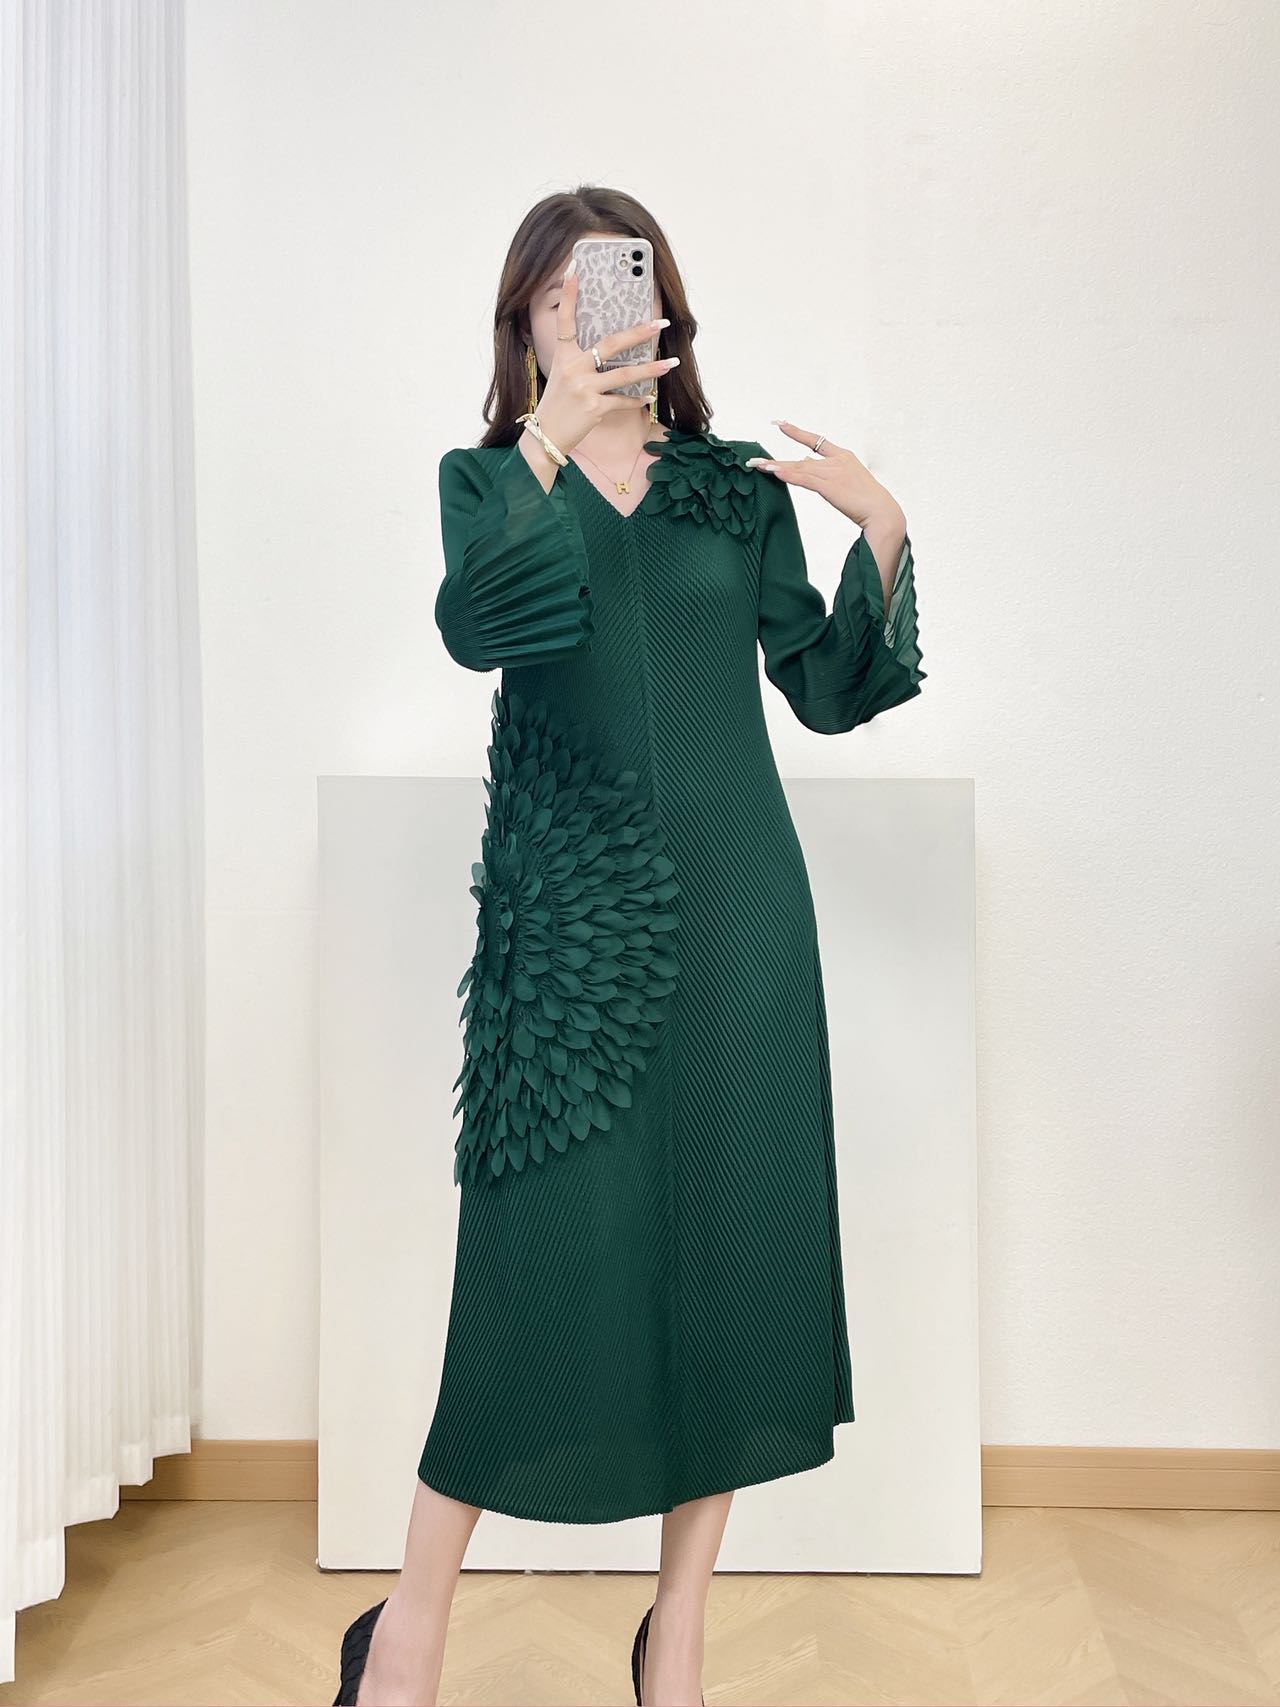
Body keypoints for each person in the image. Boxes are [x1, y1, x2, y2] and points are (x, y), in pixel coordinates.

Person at [333, 185, 925, 1707]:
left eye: (607, 289)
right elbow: (480, 627)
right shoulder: (488, 482)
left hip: (738, 916)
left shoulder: (732, 492)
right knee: (524, 1275)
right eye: (554, 300)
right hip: (570, 942)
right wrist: (546, 440)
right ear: (525, 328)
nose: (583, 319)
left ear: (660, 310)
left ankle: (680, 1637)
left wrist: (880, 527)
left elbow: (827, 688)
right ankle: (407, 1631)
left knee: (725, 1258)